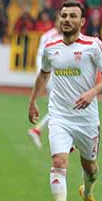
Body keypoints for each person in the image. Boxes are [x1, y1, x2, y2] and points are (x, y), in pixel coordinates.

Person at [28, 1, 102, 201]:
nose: (67, 19)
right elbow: (43, 75)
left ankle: (87, 192)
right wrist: (33, 101)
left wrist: (92, 93)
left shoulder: (93, 45)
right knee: (59, 161)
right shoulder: (51, 46)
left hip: (86, 119)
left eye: (72, 16)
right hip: (59, 116)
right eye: (64, 15)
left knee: (90, 167)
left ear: (82, 21)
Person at [27, 16, 61, 148]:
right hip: (51, 76)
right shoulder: (49, 37)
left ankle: (38, 130)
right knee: (61, 105)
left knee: (60, 106)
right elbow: (41, 57)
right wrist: (42, 78)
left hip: (56, 75)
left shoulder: (63, 37)